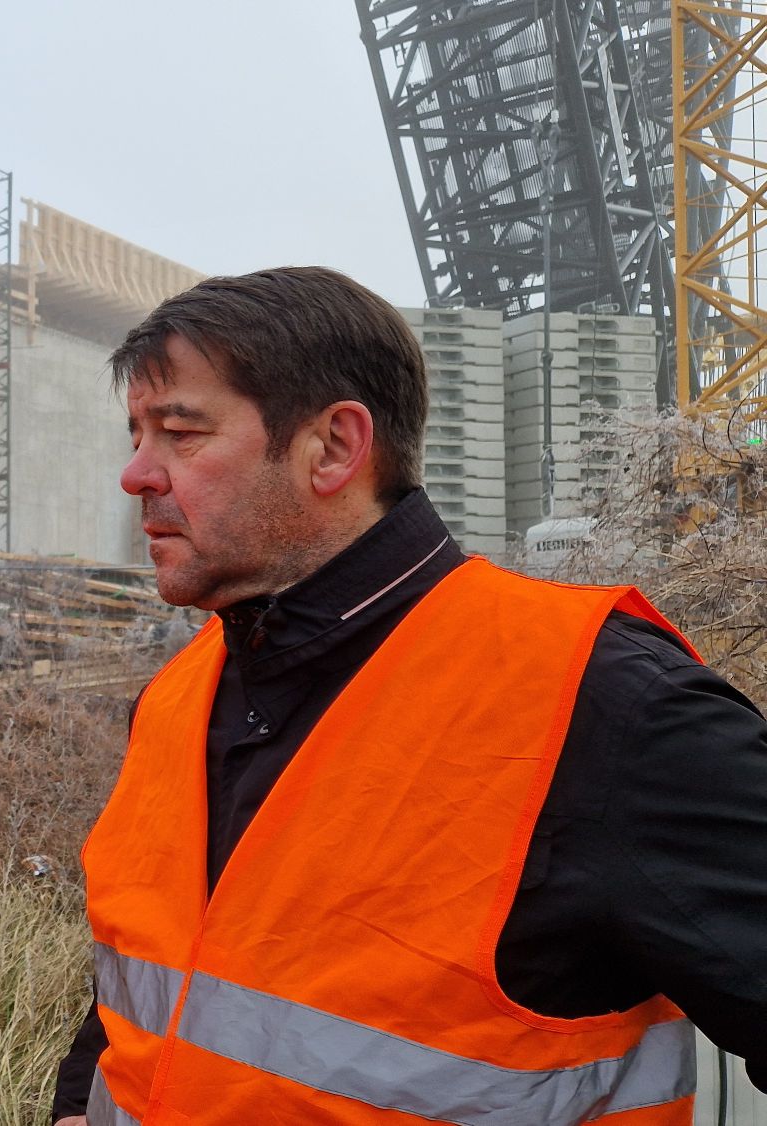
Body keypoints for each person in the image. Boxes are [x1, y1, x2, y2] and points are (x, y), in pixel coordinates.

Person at [51, 267, 767, 1124]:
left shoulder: (602, 703)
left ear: (336, 448)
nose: (136, 474)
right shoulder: (176, 697)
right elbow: (144, 993)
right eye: (136, 434)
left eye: (180, 433)